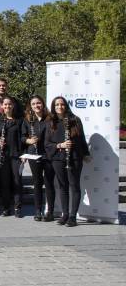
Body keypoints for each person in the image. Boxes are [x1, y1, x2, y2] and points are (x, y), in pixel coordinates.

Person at [44, 96, 90, 227]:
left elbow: (81, 139)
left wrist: (86, 153)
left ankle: (72, 216)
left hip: (74, 157)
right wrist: (60, 145)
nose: (60, 107)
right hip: (58, 158)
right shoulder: (50, 122)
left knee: (74, 185)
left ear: (66, 105)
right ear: (53, 107)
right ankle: (64, 214)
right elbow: (47, 144)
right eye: (57, 105)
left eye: (62, 104)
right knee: (63, 186)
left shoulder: (75, 120)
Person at [22, 95, 52, 221]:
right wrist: (29, 140)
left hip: (49, 155)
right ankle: (38, 210)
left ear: (43, 104)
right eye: (33, 104)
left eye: (38, 103)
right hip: (33, 154)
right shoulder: (28, 120)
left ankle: (50, 211)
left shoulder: (50, 119)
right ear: (31, 106)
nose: (36, 106)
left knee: (49, 184)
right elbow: (22, 137)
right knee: (37, 183)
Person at [0, 97, 23, 217]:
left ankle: (18, 207)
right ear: (2, 106)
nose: (7, 106)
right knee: (5, 182)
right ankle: (6, 207)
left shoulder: (19, 121)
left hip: (16, 155)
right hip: (3, 155)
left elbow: (22, 138)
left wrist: (23, 154)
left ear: (13, 106)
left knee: (17, 181)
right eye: (5, 104)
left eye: (9, 104)